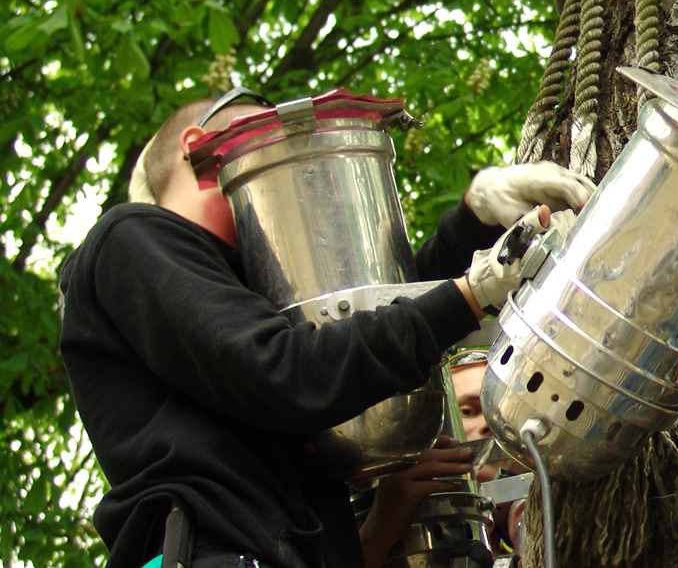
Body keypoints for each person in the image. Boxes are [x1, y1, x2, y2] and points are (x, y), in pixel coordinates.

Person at [60, 89, 593, 568]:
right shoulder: (133, 238)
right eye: (263, 139)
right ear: (204, 149)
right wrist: (471, 294)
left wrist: (474, 218)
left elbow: (357, 325)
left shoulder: (244, 292)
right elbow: (288, 371)